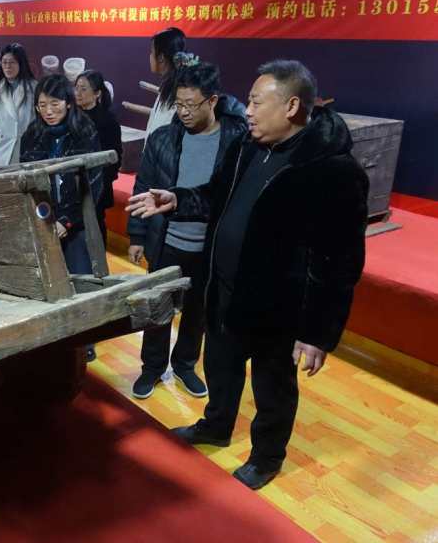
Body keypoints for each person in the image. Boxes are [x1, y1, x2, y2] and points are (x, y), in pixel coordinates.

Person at [126, 60, 368, 489]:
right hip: (224, 289)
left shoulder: (334, 170)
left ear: (291, 106)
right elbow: (215, 196)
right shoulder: (248, 146)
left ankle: (266, 457)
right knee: (220, 367)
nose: (248, 110)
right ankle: (216, 426)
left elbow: (341, 260)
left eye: (257, 102)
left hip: (279, 308)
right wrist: (177, 199)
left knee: (273, 387)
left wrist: (318, 333)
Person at [127, 60, 247, 400]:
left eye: (191, 105)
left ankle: (185, 364)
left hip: (209, 247)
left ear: (213, 101)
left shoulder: (235, 141)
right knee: (158, 307)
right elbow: (143, 187)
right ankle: (152, 367)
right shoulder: (163, 139)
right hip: (165, 241)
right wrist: (137, 235)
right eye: (178, 104)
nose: (183, 112)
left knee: (198, 312)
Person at [20, 75, 103, 359]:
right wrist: (44, 219)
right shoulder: (32, 134)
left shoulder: (85, 131)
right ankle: (53, 341)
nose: (48, 111)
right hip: (44, 220)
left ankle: (84, 343)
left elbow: (93, 184)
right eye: (42, 105)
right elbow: (27, 182)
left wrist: (66, 221)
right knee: (48, 282)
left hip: (77, 223)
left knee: (81, 280)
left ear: (68, 103)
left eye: (54, 104)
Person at [75, 69, 122, 243]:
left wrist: (100, 181)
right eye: (76, 88)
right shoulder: (71, 116)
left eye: (83, 89)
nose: (78, 93)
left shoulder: (108, 121)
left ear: (97, 93)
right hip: (72, 183)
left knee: (95, 227)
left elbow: (115, 156)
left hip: (97, 185)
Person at [122, 27, 187, 137]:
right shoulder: (168, 86)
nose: (150, 56)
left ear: (161, 57)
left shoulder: (180, 93)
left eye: (152, 52)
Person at [0, 43, 37, 166]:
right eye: (4, 62)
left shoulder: (34, 87)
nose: (7, 66)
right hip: (2, 149)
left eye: (12, 62)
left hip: (26, 149)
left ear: (21, 64)